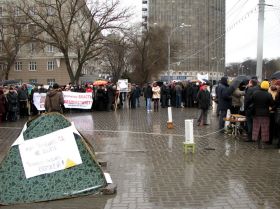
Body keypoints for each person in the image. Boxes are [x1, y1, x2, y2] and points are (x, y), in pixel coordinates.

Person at [251, 81, 274, 148]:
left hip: (256, 113)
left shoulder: (255, 93)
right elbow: (272, 104)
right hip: (265, 114)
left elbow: (251, 101)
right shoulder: (268, 95)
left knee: (256, 128)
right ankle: (263, 143)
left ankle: (257, 143)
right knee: (264, 129)